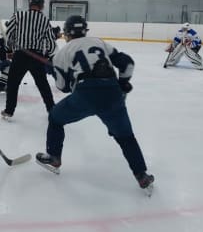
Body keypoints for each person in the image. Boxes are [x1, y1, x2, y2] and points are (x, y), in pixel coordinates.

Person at [35, 15, 154, 194]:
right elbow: (127, 63)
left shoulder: (62, 53)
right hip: (112, 93)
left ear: (66, 34)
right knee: (126, 137)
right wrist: (122, 83)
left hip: (85, 95)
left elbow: (63, 87)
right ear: (85, 31)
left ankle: (54, 157)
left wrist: (52, 70)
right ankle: (142, 175)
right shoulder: (99, 42)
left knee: (55, 118)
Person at [1, 0, 57, 120]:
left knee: (13, 83)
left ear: (30, 4)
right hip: (37, 56)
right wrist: (48, 55)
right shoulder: (44, 20)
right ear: (41, 6)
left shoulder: (18, 15)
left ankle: (9, 111)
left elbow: (8, 34)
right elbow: (51, 41)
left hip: (20, 55)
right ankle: (52, 109)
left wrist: (8, 50)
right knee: (43, 84)